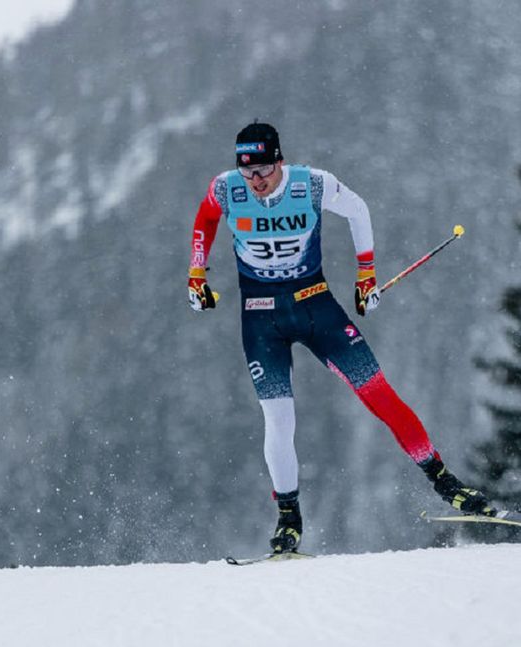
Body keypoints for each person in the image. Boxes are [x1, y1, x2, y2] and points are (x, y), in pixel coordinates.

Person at [186, 121, 492, 554]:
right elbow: (205, 218)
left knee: (378, 392)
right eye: (246, 171)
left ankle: (447, 484)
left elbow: (359, 210)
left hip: (315, 306)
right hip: (260, 319)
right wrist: (196, 273)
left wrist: (366, 275)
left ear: (280, 161)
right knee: (277, 420)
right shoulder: (226, 188)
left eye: (263, 171)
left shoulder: (311, 185)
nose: (255, 181)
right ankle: (289, 519)